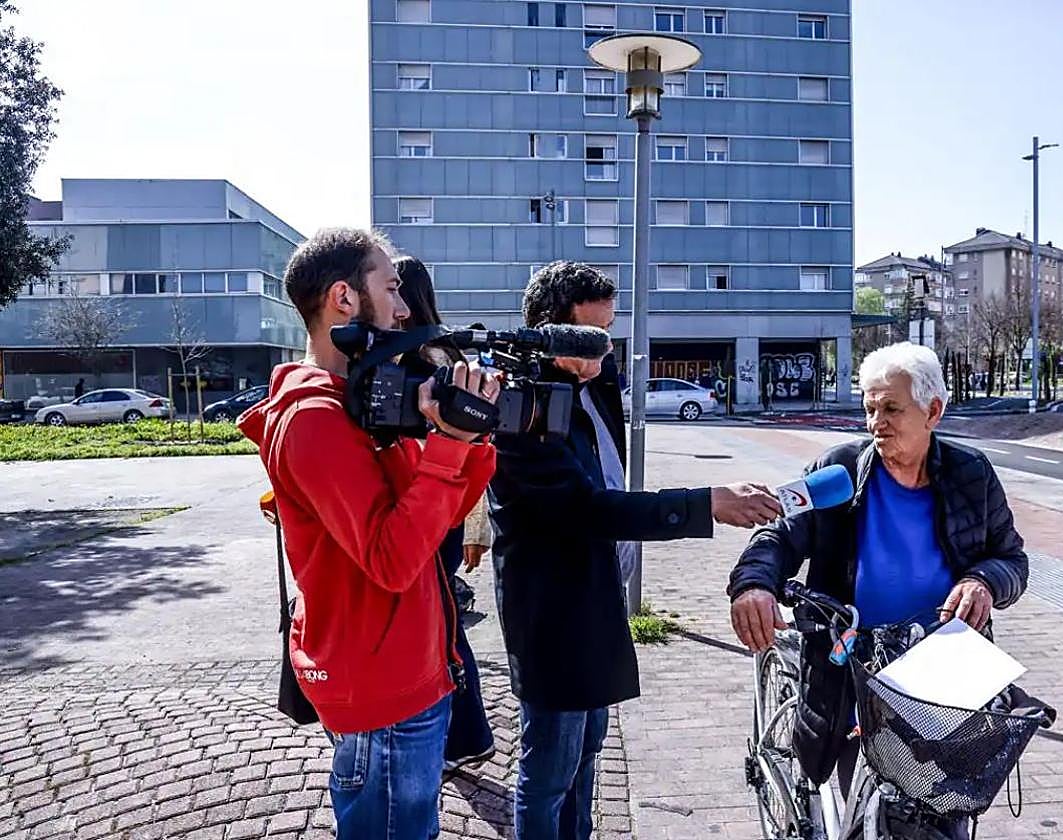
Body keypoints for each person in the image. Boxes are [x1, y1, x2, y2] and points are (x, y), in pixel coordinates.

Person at [488, 260, 783, 840]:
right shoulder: (519, 408)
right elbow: (587, 507)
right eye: (589, 339)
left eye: (608, 335)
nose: (602, 356)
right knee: (549, 768)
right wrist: (705, 504)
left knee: (588, 752)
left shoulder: (589, 379)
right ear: (550, 331)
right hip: (552, 610)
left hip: (599, 595)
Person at [238, 228, 500, 840]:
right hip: (383, 690)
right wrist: (448, 449)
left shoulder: (355, 403)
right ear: (344, 299)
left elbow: (435, 515)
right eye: (391, 288)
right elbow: (391, 560)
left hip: (409, 671)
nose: (406, 308)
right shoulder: (314, 420)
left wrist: (473, 439)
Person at [728, 341, 1028, 799]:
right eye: (870, 409)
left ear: (933, 412)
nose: (876, 424)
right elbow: (780, 534)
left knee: (946, 808)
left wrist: (983, 581)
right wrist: (753, 583)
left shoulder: (972, 474)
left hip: (942, 669)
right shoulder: (836, 469)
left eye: (891, 409)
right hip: (851, 664)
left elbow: (1011, 559)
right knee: (857, 806)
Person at [395, 253, 497, 774]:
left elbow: (465, 449)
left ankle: (467, 733)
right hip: (447, 514)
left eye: (393, 289)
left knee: (444, 628)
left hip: (430, 509)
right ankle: (465, 735)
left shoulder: (418, 360)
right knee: (444, 622)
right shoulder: (446, 353)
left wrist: (474, 529)